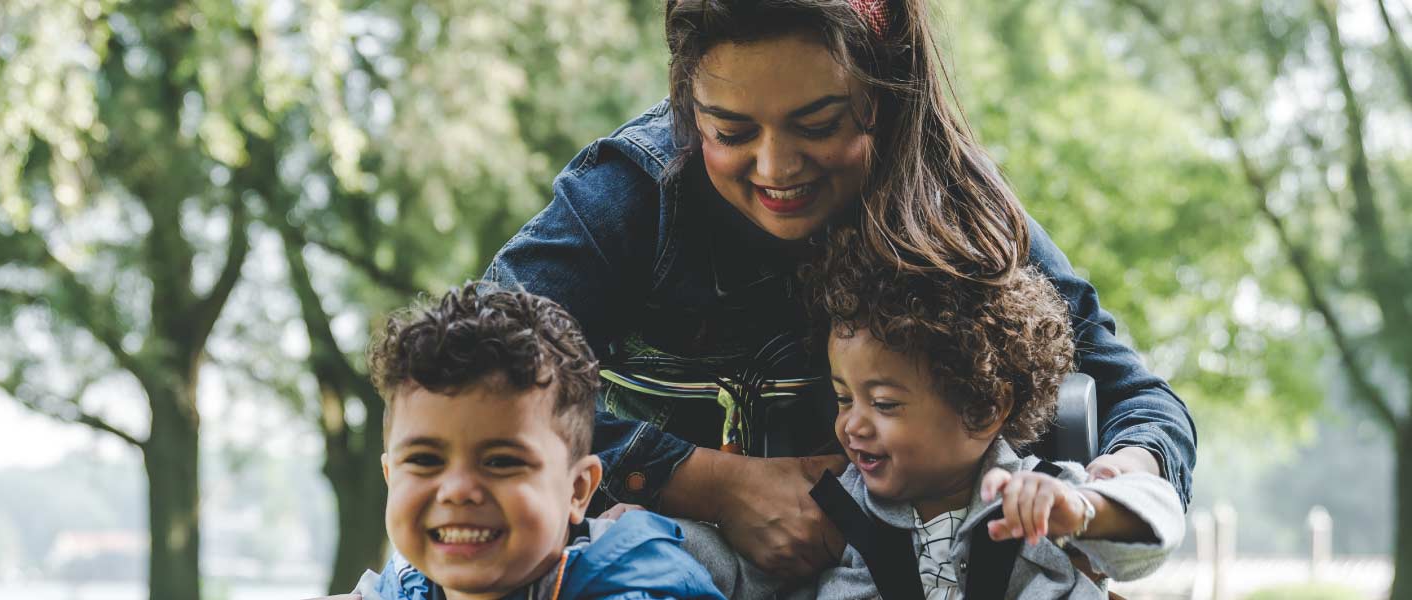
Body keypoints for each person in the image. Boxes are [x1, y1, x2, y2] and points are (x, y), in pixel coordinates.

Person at [484, 0, 1196, 578]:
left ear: (883, 93)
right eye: (729, 129)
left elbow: (1140, 401)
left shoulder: (960, 208)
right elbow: (482, 367)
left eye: (817, 124)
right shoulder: (630, 195)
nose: (775, 166)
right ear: (684, 102)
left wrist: (1107, 494)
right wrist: (713, 486)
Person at [683, 234, 1185, 599]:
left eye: (883, 404)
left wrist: (1086, 512)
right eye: (843, 398)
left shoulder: (1039, 499)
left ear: (982, 408)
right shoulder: (833, 512)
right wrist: (658, 536)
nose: (852, 426)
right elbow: (736, 570)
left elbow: (1155, 528)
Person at [346, 283, 725, 600]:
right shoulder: (399, 588)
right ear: (391, 476)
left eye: (501, 462)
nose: (457, 491)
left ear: (577, 490)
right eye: (425, 460)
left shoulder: (636, 591)